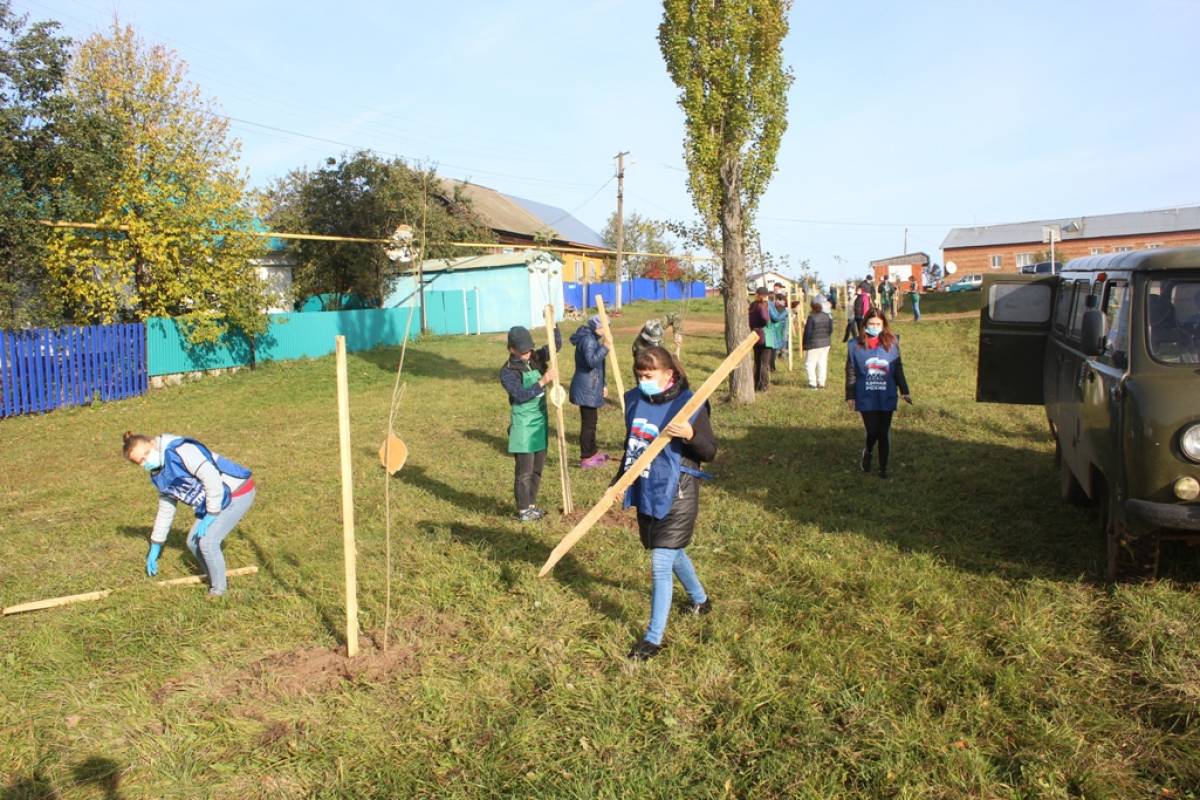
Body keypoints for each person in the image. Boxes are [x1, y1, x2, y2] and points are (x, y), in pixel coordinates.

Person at [617, 346, 717, 661]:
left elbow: (710, 451)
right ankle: (700, 600)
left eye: (650, 376)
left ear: (668, 375)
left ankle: (652, 639)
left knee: (661, 560)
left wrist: (689, 433)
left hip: (679, 490)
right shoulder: (633, 399)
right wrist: (619, 482)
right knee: (672, 552)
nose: (643, 380)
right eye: (640, 375)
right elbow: (632, 444)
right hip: (647, 484)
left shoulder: (689, 405)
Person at [122, 431, 256, 597]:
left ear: (152, 443)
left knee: (207, 543)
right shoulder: (158, 473)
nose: (146, 462)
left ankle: (219, 592)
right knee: (193, 543)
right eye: (140, 462)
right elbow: (166, 510)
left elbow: (211, 477)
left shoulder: (181, 450)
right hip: (214, 501)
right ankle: (215, 577)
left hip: (237, 491)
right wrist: (156, 544)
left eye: (146, 455)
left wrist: (212, 514)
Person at [500, 324, 561, 521]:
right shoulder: (508, 372)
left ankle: (531, 504)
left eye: (529, 350)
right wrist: (542, 382)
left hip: (540, 422)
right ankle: (523, 509)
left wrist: (554, 326)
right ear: (512, 350)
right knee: (524, 471)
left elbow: (555, 345)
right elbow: (521, 395)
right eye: (523, 352)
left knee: (537, 468)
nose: (528, 354)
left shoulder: (535, 357)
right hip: (523, 425)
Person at [845, 309, 911, 479]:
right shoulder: (855, 345)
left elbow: (898, 368)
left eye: (878, 324)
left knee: (884, 432)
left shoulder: (892, 342)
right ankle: (867, 451)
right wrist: (850, 395)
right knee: (872, 430)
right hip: (865, 394)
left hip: (886, 393)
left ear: (884, 325)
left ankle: (883, 468)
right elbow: (851, 371)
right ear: (865, 324)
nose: (874, 327)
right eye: (871, 324)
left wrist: (904, 390)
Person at [569, 315, 612, 469]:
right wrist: (605, 347)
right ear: (596, 327)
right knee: (588, 424)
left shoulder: (592, 339)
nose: (607, 330)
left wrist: (603, 384)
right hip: (586, 388)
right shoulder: (588, 340)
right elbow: (591, 362)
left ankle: (592, 453)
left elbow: (599, 366)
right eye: (604, 326)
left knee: (592, 422)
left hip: (593, 386)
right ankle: (586, 457)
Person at [802, 297, 833, 388]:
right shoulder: (827, 316)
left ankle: (812, 383)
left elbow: (808, 332)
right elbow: (830, 330)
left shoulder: (811, 317)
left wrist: (805, 344)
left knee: (810, 363)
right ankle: (821, 383)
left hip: (814, 344)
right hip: (826, 343)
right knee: (822, 363)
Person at [749, 286, 772, 391]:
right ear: (764, 296)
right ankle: (764, 385)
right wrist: (769, 321)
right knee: (764, 363)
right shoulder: (761, 306)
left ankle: (756, 384)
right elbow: (765, 318)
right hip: (764, 336)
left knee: (757, 362)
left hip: (754, 335)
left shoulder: (752, 305)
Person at [766, 292, 790, 372]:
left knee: (773, 350)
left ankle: (771, 367)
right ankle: (770, 368)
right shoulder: (769, 305)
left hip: (773, 330)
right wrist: (786, 312)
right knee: (771, 350)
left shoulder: (771, 305)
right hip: (770, 329)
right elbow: (776, 318)